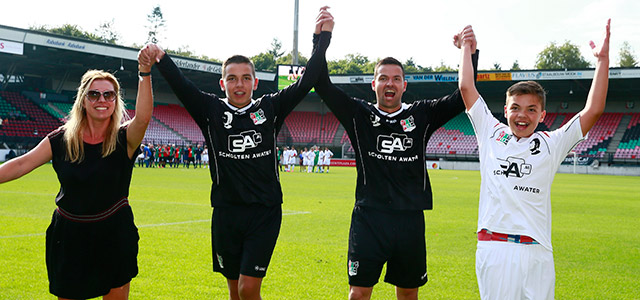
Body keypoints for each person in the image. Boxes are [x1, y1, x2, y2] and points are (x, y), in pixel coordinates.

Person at [138, 7, 333, 300]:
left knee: (248, 288)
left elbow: (307, 81)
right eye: (232, 78)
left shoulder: (270, 108)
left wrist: (321, 40)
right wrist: (160, 57)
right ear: (222, 83)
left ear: (255, 82)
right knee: (233, 290)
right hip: (226, 213)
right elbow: (181, 85)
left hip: (264, 212)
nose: (239, 84)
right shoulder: (210, 110)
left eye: (245, 78)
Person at [314, 15, 479, 299]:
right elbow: (321, 83)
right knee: (359, 293)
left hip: (409, 219)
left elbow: (461, 97)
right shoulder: (359, 115)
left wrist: (470, 54)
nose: (389, 84)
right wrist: (321, 39)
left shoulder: (421, 114)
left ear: (404, 86)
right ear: (373, 84)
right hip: (369, 219)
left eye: (396, 79)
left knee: (407, 295)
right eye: (383, 78)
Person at [457, 20, 610, 300]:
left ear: (542, 115)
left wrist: (602, 61)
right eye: (515, 108)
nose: (521, 115)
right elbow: (467, 88)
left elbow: (594, 110)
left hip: (537, 251)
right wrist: (466, 48)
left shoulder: (552, 143)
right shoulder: (490, 132)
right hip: (495, 248)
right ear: (505, 110)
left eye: (531, 109)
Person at [0, 49, 154, 299]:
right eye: (93, 94)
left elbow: (144, 117)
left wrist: (144, 72)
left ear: (115, 100)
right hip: (69, 236)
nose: (101, 100)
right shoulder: (60, 140)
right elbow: (20, 165)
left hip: (114, 232)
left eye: (108, 95)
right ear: (83, 100)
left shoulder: (124, 138)